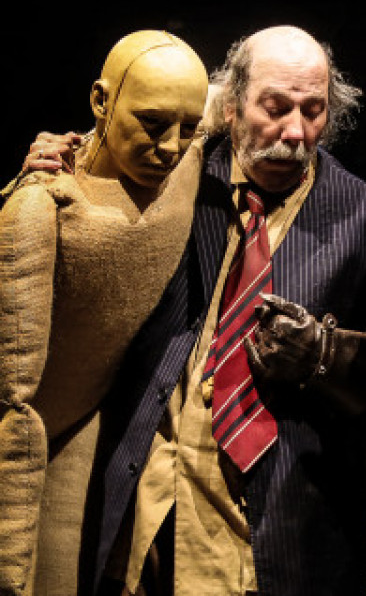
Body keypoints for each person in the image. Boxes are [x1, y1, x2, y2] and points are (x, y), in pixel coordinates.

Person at [55, 25, 366, 595]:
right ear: (232, 105)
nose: (295, 132)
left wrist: (324, 356)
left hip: (273, 535)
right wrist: (58, 161)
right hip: (145, 513)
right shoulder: (175, 181)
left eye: (314, 111)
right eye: (275, 108)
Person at [0, 30, 208, 596]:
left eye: (188, 127)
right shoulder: (44, 206)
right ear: (100, 101)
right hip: (25, 429)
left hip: (84, 425)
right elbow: (13, 391)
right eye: (152, 123)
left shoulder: (190, 161)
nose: (171, 147)